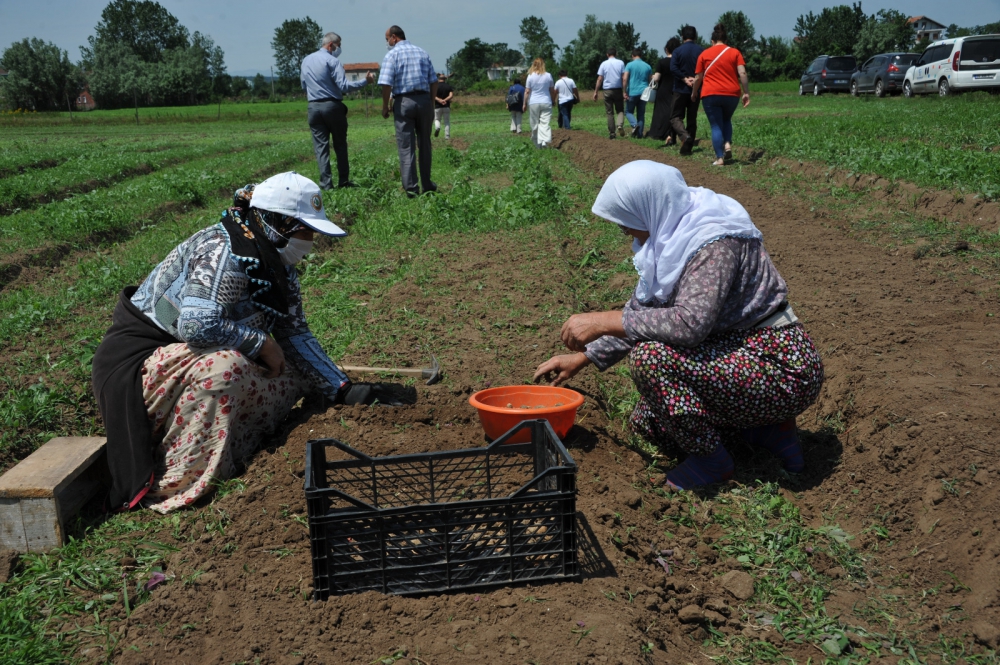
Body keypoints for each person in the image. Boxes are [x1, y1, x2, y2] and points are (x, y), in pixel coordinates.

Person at [92, 172, 415, 513]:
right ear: (281, 223)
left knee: (299, 372)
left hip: (190, 353)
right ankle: (173, 481)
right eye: (307, 230)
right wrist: (261, 344)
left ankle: (234, 446)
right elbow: (196, 325)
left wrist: (343, 388)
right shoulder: (225, 252)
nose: (311, 239)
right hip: (139, 367)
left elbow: (294, 333)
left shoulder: (275, 261)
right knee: (227, 369)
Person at [534, 161, 824, 491]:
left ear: (650, 207)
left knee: (650, 359)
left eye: (626, 221)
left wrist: (602, 321)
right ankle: (768, 430)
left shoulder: (712, 243)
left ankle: (714, 461)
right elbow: (649, 312)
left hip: (779, 366)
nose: (624, 231)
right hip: (738, 354)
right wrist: (584, 357)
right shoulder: (675, 230)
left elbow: (688, 324)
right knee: (650, 422)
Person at [300, 32, 374, 190]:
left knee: (321, 148)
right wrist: (365, 81)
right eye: (339, 45)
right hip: (332, 106)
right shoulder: (332, 61)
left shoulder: (306, 60)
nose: (340, 48)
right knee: (340, 145)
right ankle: (344, 181)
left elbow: (303, 86)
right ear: (331, 45)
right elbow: (344, 86)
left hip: (313, 107)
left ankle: (326, 185)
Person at [378, 25, 438, 197]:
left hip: (404, 102)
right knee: (424, 143)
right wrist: (431, 104)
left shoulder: (392, 55)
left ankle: (411, 188)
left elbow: (386, 84)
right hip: (424, 100)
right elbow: (434, 81)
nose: (387, 42)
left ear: (394, 37)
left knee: (406, 145)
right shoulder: (422, 52)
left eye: (387, 39)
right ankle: (427, 184)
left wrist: (385, 106)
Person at [691, 24, 750, 166]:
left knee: (716, 125)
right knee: (726, 119)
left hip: (711, 94)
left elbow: (698, 78)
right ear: (725, 39)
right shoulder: (735, 52)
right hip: (732, 93)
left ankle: (719, 158)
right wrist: (746, 92)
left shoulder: (704, 54)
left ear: (712, 41)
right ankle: (728, 144)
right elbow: (742, 73)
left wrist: (694, 93)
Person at [670, 26, 703, 155]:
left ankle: (684, 136)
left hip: (680, 89)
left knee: (675, 117)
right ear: (695, 36)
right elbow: (704, 69)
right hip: (696, 88)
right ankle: (688, 147)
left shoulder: (677, 51)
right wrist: (695, 80)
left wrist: (684, 79)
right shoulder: (701, 51)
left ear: (682, 37)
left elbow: (673, 68)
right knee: (692, 117)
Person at [646, 38, 681, 142]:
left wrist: (651, 77)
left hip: (663, 90)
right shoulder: (678, 62)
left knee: (660, 112)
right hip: (675, 89)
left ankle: (658, 132)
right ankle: (671, 133)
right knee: (673, 112)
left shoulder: (662, 62)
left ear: (667, 49)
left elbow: (656, 78)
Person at [593, 47, 626, 139]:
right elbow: (624, 78)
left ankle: (612, 133)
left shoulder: (603, 64)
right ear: (616, 54)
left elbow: (600, 79)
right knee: (620, 110)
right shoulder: (621, 63)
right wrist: (625, 91)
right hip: (618, 90)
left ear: (607, 54)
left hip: (607, 90)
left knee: (609, 112)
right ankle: (619, 124)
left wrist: (596, 92)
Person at [523, 58, 557, 148]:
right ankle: (544, 142)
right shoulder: (548, 75)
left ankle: (537, 144)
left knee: (534, 123)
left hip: (534, 102)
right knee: (544, 123)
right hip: (546, 101)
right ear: (543, 65)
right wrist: (553, 100)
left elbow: (527, 91)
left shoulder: (530, 76)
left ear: (533, 65)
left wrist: (524, 104)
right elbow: (552, 90)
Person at [623, 48, 653, 138]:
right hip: (644, 93)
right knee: (641, 114)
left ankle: (634, 125)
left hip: (632, 92)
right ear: (641, 55)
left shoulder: (629, 65)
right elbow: (651, 81)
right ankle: (639, 135)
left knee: (628, 111)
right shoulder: (648, 66)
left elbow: (625, 79)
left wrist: (624, 92)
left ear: (632, 55)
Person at [433, 73, 454, 139]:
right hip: (446, 106)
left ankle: (437, 127)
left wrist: (440, 100)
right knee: (446, 122)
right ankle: (447, 136)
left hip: (437, 107)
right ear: (445, 79)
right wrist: (445, 100)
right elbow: (451, 96)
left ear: (438, 79)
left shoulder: (435, 86)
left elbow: (433, 95)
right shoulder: (448, 86)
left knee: (437, 119)